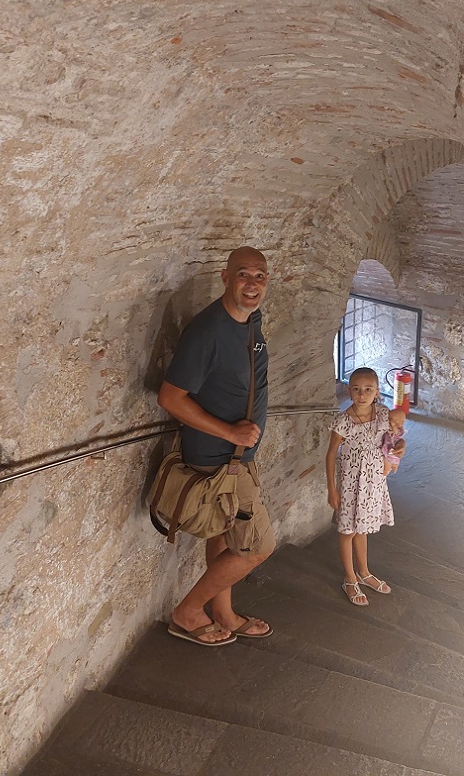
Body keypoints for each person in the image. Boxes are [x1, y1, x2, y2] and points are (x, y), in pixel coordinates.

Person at [157, 246, 276, 646]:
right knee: (257, 547)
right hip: (219, 459)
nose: (253, 284)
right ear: (225, 278)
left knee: (224, 536)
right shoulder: (208, 330)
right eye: (243, 274)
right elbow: (171, 398)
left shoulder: (250, 321)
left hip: (239, 457)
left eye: (260, 276)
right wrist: (231, 435)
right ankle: (187, 612)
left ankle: (222, 611)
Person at [325, 367, 405, 606]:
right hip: (350, 484)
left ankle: (364, 571)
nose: (362, 394)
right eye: (357, 389)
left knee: (363, 528)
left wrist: (398, 449)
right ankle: (350, 578)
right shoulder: (343, 421)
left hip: (373, 483)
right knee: (348, 530)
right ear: (349, 391)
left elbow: (395, 439)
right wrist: (332, 489)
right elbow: (330, 455)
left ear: (377, 392)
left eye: (368, 389)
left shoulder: (382, 414)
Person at [381, 407, 406, 476]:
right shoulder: (386, 425)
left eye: (393, 420)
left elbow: (397, 436)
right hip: (387, 449)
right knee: (387, 462)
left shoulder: (398, 430)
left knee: (391, 460)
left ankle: (391, 469)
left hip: (391, 449)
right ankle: (388, 470)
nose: (390, 422)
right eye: (389, 419)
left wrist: (402, 442)